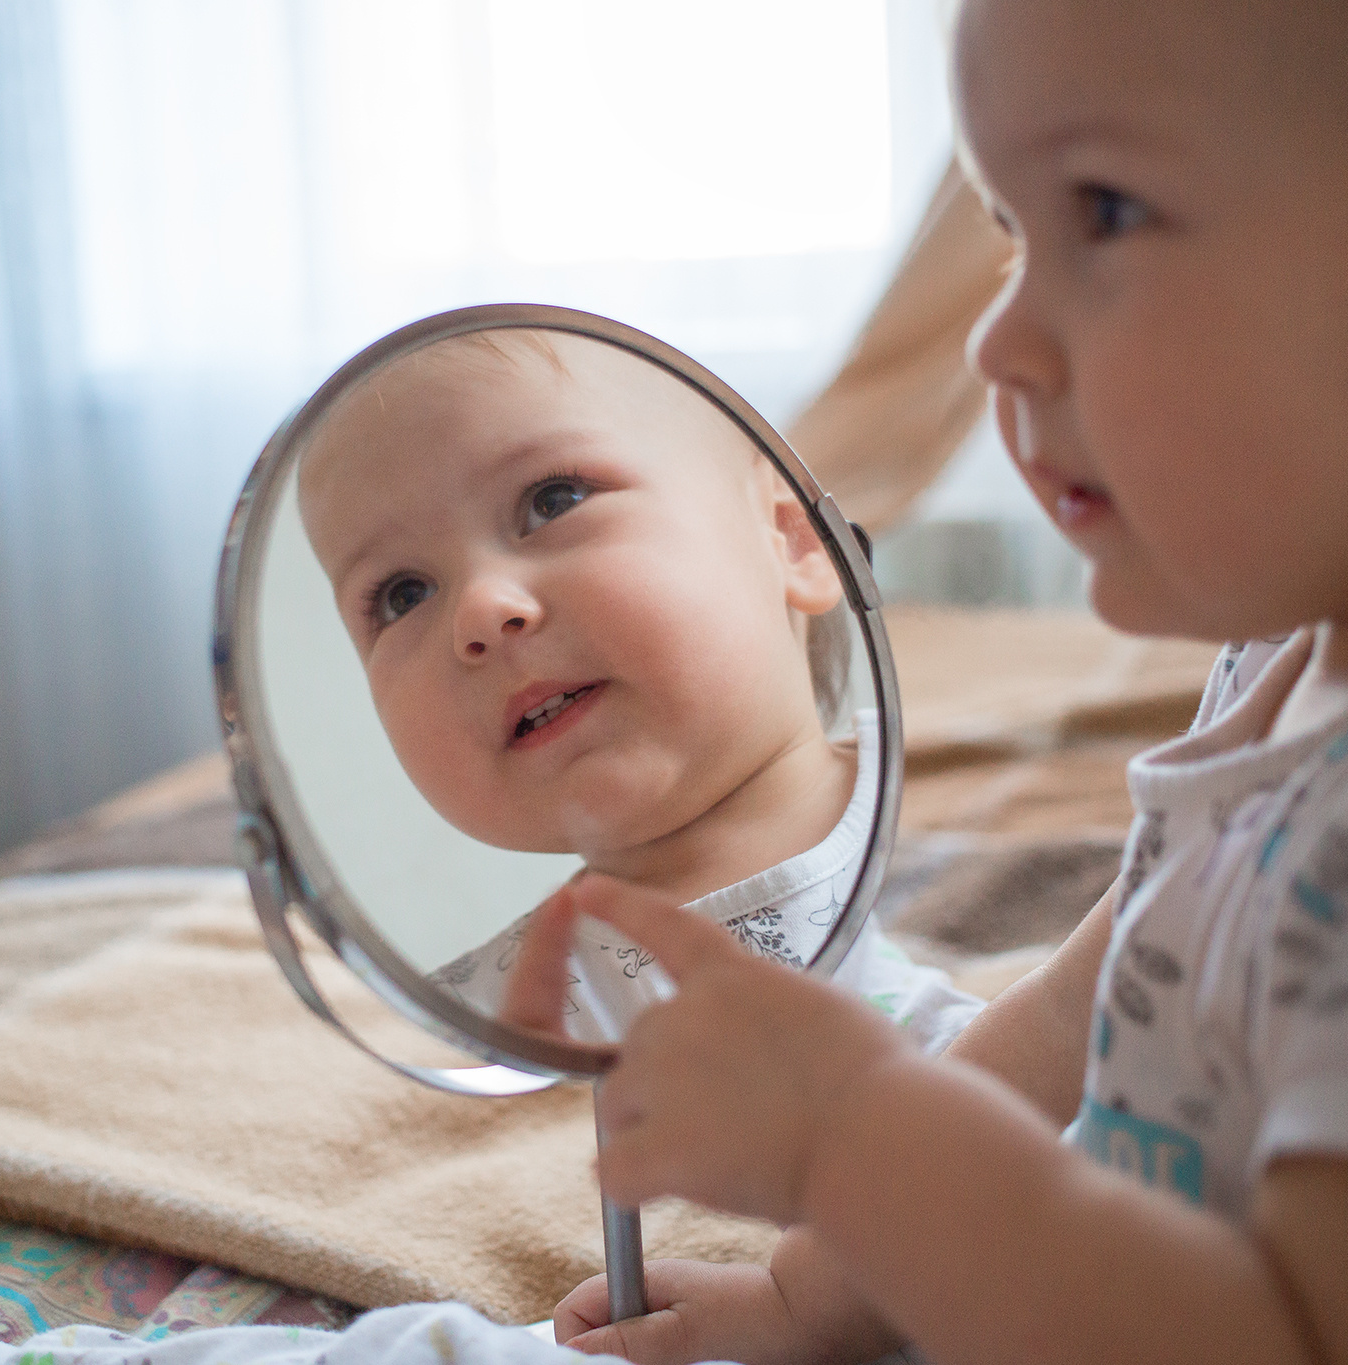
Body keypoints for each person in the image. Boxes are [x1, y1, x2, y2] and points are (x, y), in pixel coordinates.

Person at [0, 0, 1348, 1361]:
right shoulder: (1287, 676)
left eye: (1102, 210)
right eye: (1008, 236)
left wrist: (864, 1151)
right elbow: (1067, 1030)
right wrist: (803, 1299)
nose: (997, 339)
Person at [296, 327, 974, 1048]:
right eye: (402, 595)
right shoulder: (470, 1024)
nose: (480, 610)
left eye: (553, 500)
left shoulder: (979, 827)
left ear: (794, 539)